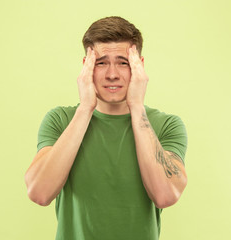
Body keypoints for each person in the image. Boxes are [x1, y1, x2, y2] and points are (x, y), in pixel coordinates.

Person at [24, 16, 188, 240]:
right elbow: (39, 193)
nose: (112, 74)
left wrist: (137, 106)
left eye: (123, 62)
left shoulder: (166, 125)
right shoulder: (60, 120)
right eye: (101, 63)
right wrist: (85, 108)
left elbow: (165, 195)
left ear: (139, 66)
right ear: (87, 67)